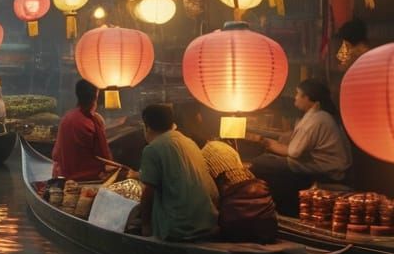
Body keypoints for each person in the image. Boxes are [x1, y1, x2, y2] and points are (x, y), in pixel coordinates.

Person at [173, 102, 277, 243]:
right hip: (264, 206)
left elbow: (208, 195)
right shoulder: (222, 146)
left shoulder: (197, 155)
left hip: (236, 214)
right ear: (199, 118)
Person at [248, 79, 353, 215]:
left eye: (298, 94)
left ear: (308, 98)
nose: (295, 97)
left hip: (327, 171)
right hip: (324, 167)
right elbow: (291, 143)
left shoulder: (316, 119)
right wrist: (266, 141)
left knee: (260, 163)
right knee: (267, 160)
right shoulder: (320, 116)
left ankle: (277, 209)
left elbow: (293, 152)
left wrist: (265, 142)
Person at [138, 103, 219, 242]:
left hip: (179, 229)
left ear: (147, 127)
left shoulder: (152, 149)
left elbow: (148, 192)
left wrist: (145, 226)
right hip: (208, 223)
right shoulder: (189, 142)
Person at [52, 79, 114, 181]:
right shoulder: (93, 121)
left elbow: (55, 154)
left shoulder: (66, 117)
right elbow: (105, 157)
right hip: (88, 178)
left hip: (63, 175)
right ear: (96, 96)